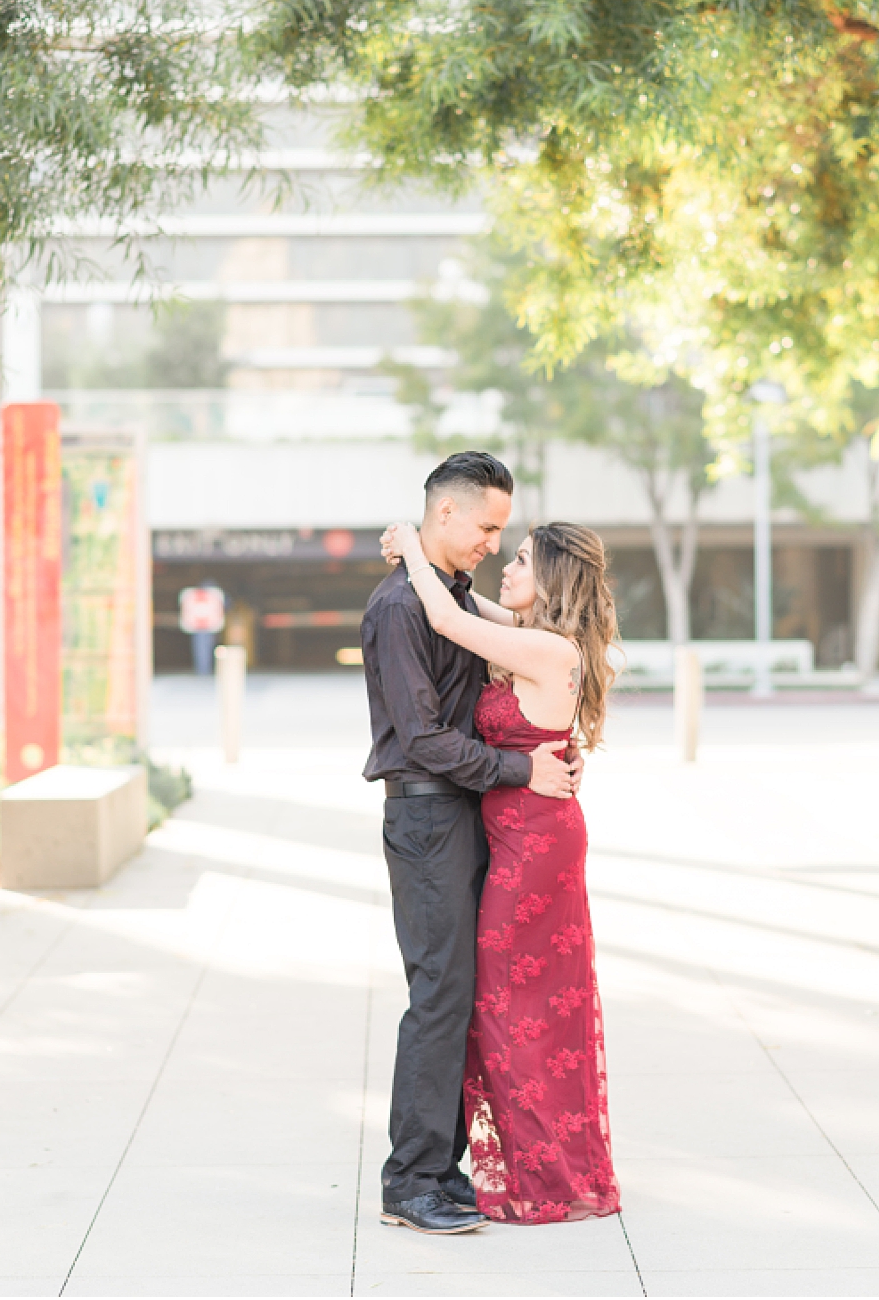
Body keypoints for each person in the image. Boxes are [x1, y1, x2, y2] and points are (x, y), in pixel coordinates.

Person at [361, 451, 585, 1236]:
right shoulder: (400, 606)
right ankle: (410, 1180)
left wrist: (533, 753)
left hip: (470, 812)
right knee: (440, 995)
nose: (495, 540)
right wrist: (520, 765)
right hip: (426, 817)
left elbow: (511, 660)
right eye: (488, 525)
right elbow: (421, 737)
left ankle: (443, 1167)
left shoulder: (448, 594)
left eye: (503, 530)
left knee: (465, 996)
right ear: (445, 514)